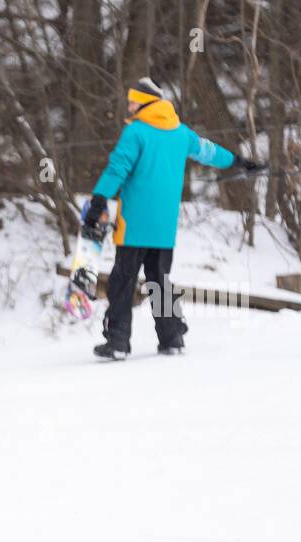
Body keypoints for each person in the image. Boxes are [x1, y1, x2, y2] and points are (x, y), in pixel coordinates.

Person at [84, 77, 263, 360]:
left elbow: (117, 169)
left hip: (135, 225)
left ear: (144, 103)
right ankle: (172, 337)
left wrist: (98, 199)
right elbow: (209, 151)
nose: (129, 106)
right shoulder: (181, 133)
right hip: (164, 227)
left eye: (132, 101)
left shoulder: (136, 132)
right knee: (159, 280)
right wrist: (238, 161)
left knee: (123, 280)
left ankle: (118, 341)